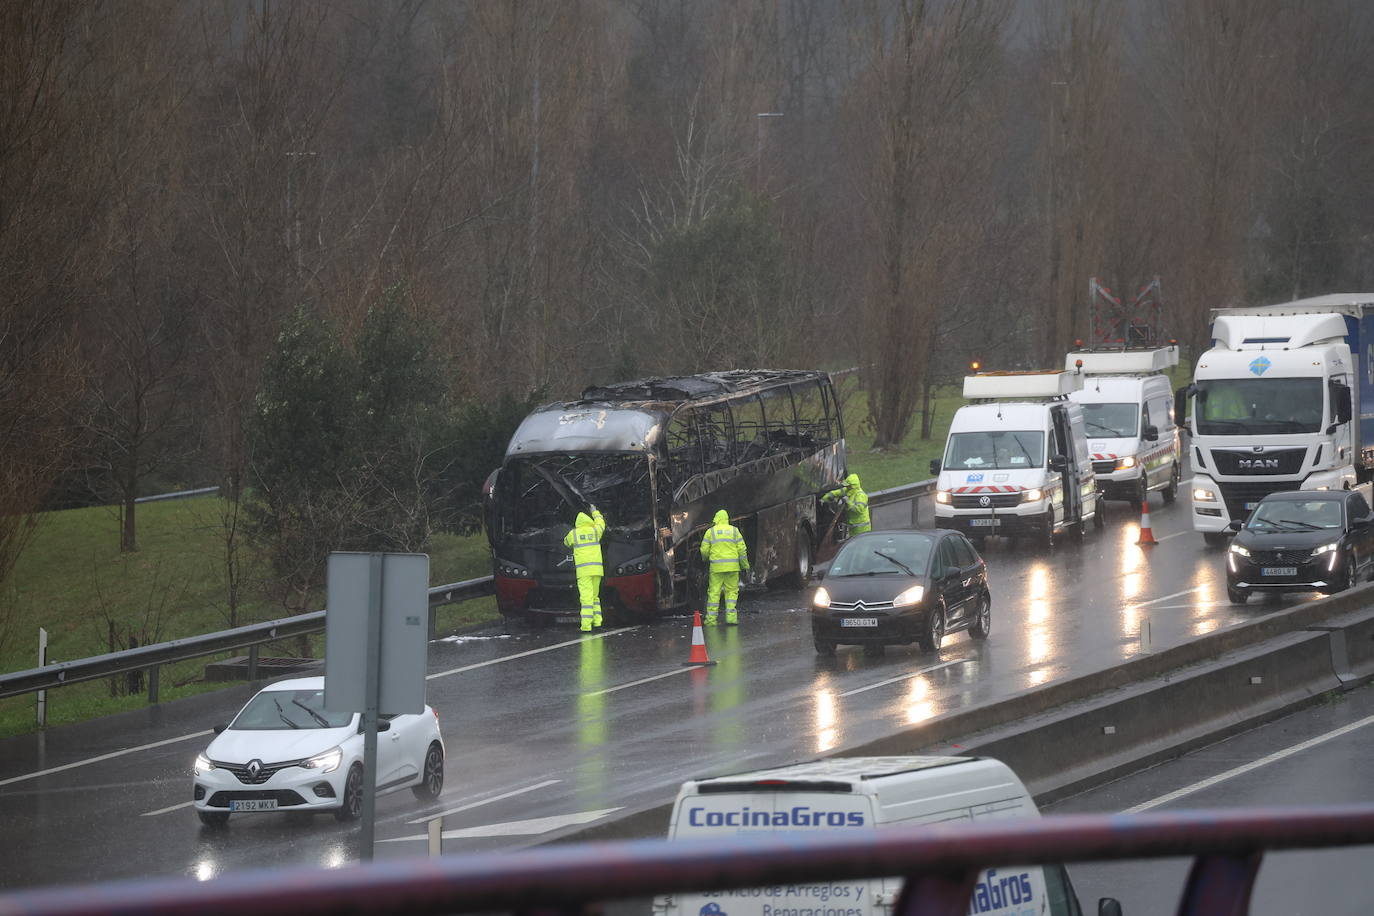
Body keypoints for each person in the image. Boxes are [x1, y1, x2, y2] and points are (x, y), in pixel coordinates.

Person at [700, 509, 750, 625]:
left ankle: (711, 620)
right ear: (727, 519)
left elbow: (704, 550)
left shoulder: (710, 532)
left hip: (716, 568)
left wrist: (706, 559)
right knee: (732, 593)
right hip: (732, 568)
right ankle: (731, 618)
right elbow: (742, 549)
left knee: (714, 593)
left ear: (716, 519)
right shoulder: (734, 531)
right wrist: (744, 565)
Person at [564, 504, 607, 632]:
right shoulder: (595, 530)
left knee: (586, 598)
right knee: (595, 597)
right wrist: (595, 512)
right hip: (597, 570)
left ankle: (586, 626)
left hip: (583, 571)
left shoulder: (574, 534)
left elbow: (566, 542)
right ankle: (598, 622)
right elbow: (601, 523)